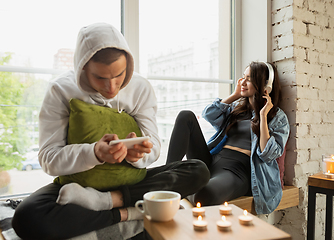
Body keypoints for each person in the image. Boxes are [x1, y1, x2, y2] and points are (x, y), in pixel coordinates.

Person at [12, 23, 209, 240]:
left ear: (129, 65)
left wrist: (140, 153)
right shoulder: (60, 90)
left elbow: (154, 144)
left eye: (119, 75)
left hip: (132, 183)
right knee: (26, 217)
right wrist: (95, 153)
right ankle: (130, 212)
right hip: (79, 187)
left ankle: (109, 203)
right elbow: (49, 159)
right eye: (101, 78)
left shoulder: (140, 87)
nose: (112, 87)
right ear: (82, 67)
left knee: (198, 170)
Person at [166, 61, 290, 214]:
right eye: (243, 77)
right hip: (213, 160)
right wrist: (235, 94)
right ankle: (166, 176)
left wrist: (263, 116)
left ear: (266, 86)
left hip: (237, 171)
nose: (243, 82)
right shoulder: (236, 108)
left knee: (205, 196)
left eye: (249, 79)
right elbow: (209, 115)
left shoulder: (277, 117)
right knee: (186, 116)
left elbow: (268, 153)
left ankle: (178, 185)